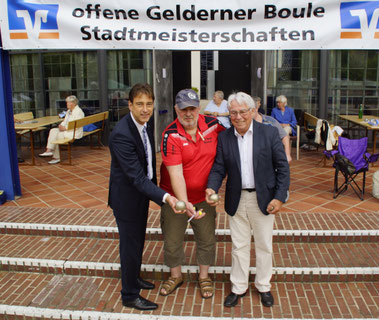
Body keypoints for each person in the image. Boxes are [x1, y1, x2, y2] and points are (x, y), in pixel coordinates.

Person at [108, 83, 188, 311]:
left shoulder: (144, 124)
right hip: (127, 200)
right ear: (130, 105)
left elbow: (148, 166)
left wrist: (156, 192)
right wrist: (167, 198)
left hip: (141, 196)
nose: (145, 109)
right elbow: (137, 177)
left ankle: (134, 279)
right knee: (130, 246)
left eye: (149, 104)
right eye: (140, 104)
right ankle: (130, 294)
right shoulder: (121, 135)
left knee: (138, 242)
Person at [206, 92, 290, 308]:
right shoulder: (224, 137)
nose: (238, 116)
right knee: (239, 246)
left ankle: (263, 286)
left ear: (253, 111)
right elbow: (218, 167)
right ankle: (239, 287)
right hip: (237, 198)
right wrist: (211, 187)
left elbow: (283, 169)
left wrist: (280, 197)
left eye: (243, 111)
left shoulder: (269, 134)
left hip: (264, 199)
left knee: (264, 246)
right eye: (233, 112)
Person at [159, 88, 225, 299]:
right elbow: (176, 173)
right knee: (172, 239)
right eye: (183, 109)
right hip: (176, 199)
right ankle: (175, 275)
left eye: (192, 108)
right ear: (176, 109)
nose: (188, 113)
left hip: (204, 197)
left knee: (206, 238)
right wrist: (185, 204)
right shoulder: (170, 134)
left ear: (199, 108)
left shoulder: (214, 126)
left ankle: (204, 276)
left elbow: (231, 147)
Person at [39, 95, 84, 164]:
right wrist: (61, 125)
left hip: (74, 132)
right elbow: (65, 121)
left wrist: (65, 128)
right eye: (67, 102)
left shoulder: (78, 112)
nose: (67, 104)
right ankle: (49, 150)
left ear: (74, 103)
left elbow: (76, 126)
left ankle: (56, 157)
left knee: (57, 136)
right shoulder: (69, 111)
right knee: (53, 130)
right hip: (67, 130)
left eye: (69, 102)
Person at [252, 96, 292, 163]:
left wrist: (287, 154)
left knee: (285, 131)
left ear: (256, 108)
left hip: (269, 157)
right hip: (254, 157)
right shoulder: (274, 110)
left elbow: (284, 136)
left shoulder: (270, 121)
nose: (278, 104)